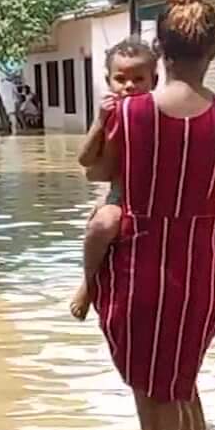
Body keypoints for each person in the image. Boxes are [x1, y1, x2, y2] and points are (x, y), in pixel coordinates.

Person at [85, 0, 215, 430]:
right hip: (203, 261)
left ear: (161, 52)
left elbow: (101, 174)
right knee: (180, 373)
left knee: (147, 395)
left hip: (141, 261)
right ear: (214, 52)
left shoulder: (129, 115)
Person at [69, 37, 157, 321]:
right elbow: (85, 160)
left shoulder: (162, 111)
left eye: (138, 79)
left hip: (160, 197)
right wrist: (99, 121)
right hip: (121, 196)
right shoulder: (111, 114)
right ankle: (88, 283)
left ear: (154, 80)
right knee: (101, 225)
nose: (129, 86)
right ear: (109, 81)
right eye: (121, 79)